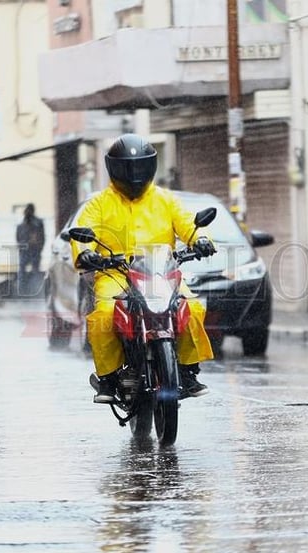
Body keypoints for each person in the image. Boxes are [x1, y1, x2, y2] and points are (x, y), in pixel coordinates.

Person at [71, 133, 216, 403]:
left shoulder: (166, 199)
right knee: (104, 313)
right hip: (115, 274)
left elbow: (187, 223)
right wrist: (87, 254)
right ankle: (109, 378)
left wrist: (201, 240)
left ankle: (187, 372)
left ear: (150, 167)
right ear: (113, 168)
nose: (134, 174)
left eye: (139, 167)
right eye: (127, 168)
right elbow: (83, 232)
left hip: (162, 273)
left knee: (192, 308)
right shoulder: (99, 203)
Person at [16, 203, 45, 294]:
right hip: (31, 250)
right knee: (33, 270)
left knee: (25, 271)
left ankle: (24, 291)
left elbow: (18, 237)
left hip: (29, 250)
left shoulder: (24, 223)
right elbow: (42, 238)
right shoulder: (36, 222)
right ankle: (33, 291)